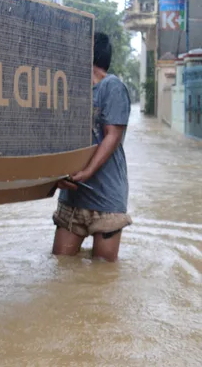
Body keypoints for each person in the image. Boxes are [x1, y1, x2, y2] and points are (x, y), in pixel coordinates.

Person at [52, 32, 132, 262]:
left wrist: (87, 172)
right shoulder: (70, 90)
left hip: (106, 199)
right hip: (73, 195)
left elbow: (112, 135)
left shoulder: (112, 86)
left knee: (103, 273)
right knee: (61, 264)